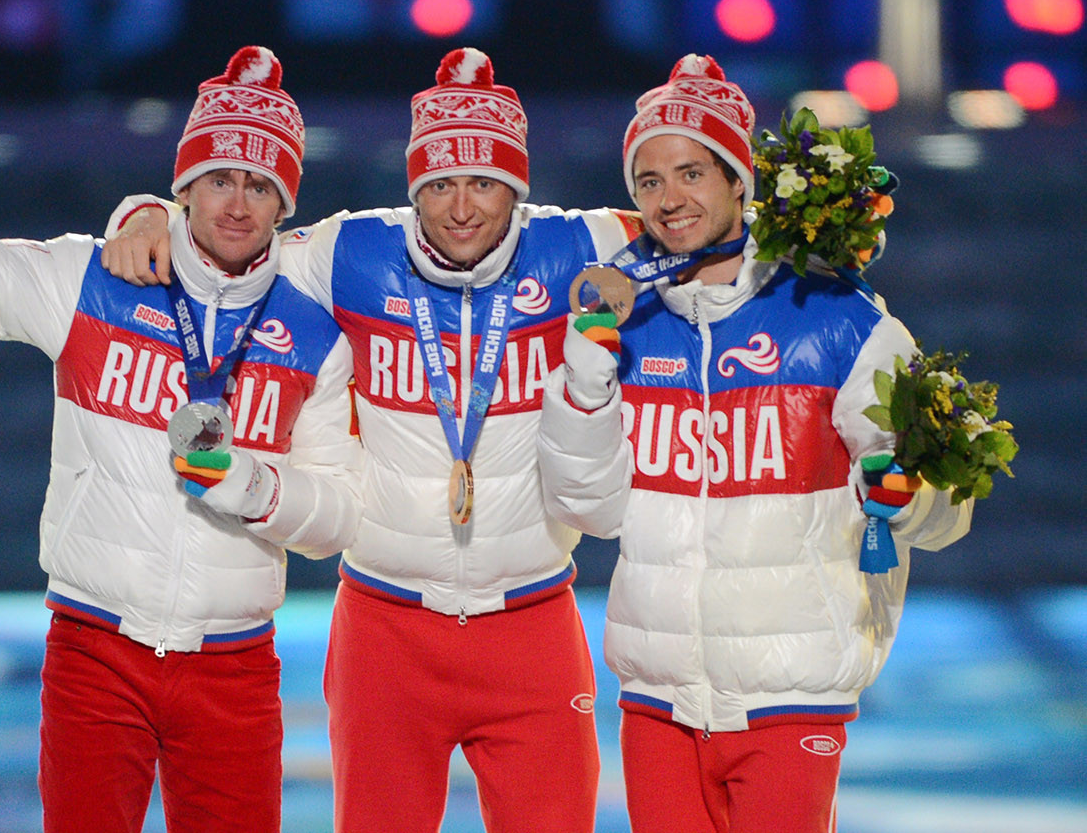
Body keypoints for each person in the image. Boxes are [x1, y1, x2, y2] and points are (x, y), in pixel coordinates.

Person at [99, 48, 646, 833]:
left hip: (532, 625)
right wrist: (145, 212)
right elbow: (225, 246)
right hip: (384, 633)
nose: (461, 207)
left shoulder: (577, 246)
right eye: (440, 184)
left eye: (485, 183)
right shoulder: (349, 252)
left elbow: (696, 235)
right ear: (412, 186)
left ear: (517, 192)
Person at [0, 45, 363, 833]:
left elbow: (342, 516)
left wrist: (251, 486)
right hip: (96, 650)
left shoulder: (315, 337)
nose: (238, 204)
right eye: (219, 178)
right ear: (184, 187)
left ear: (286, 203)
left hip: (235, 665)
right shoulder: (93, 280)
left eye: (260, 184)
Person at [537, 54, 974, 833]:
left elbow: (939, 508)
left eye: (692, 173)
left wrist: (910, 501)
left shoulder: (844, 323)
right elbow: (587, 508)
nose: (669, 199)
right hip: (659, 697)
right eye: (648, 181)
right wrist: (584, 385)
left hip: (791, 694)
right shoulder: (624, 325)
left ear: (740, 179)